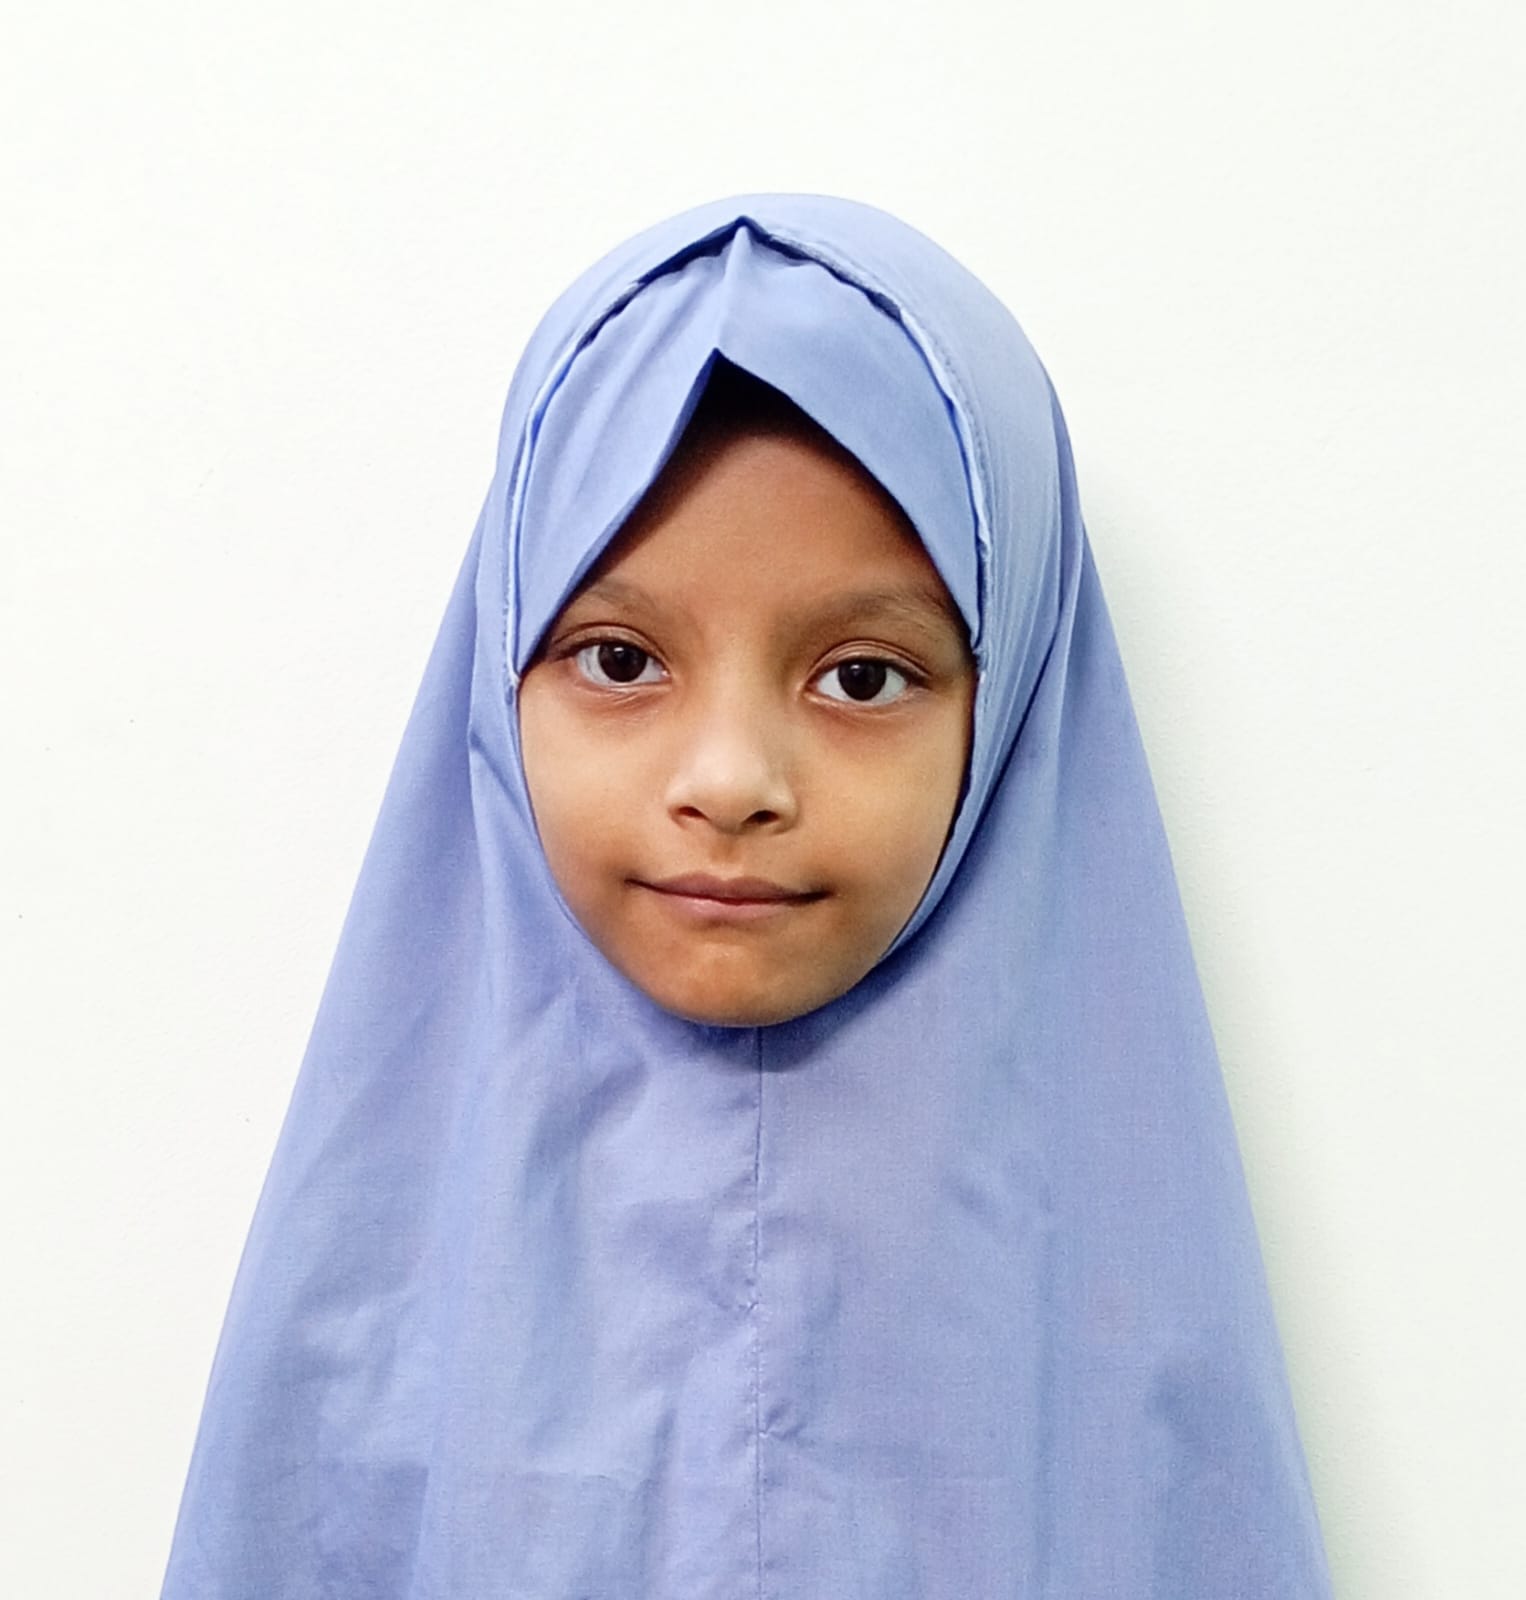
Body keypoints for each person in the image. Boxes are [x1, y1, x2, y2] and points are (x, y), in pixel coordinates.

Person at [160, 195, 1334, 1597]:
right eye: (618, 659)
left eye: (860, 677)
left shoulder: (1140, 1351)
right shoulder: (355, 1321)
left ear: (1013, 697)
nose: (728, 781)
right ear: (500, 672)